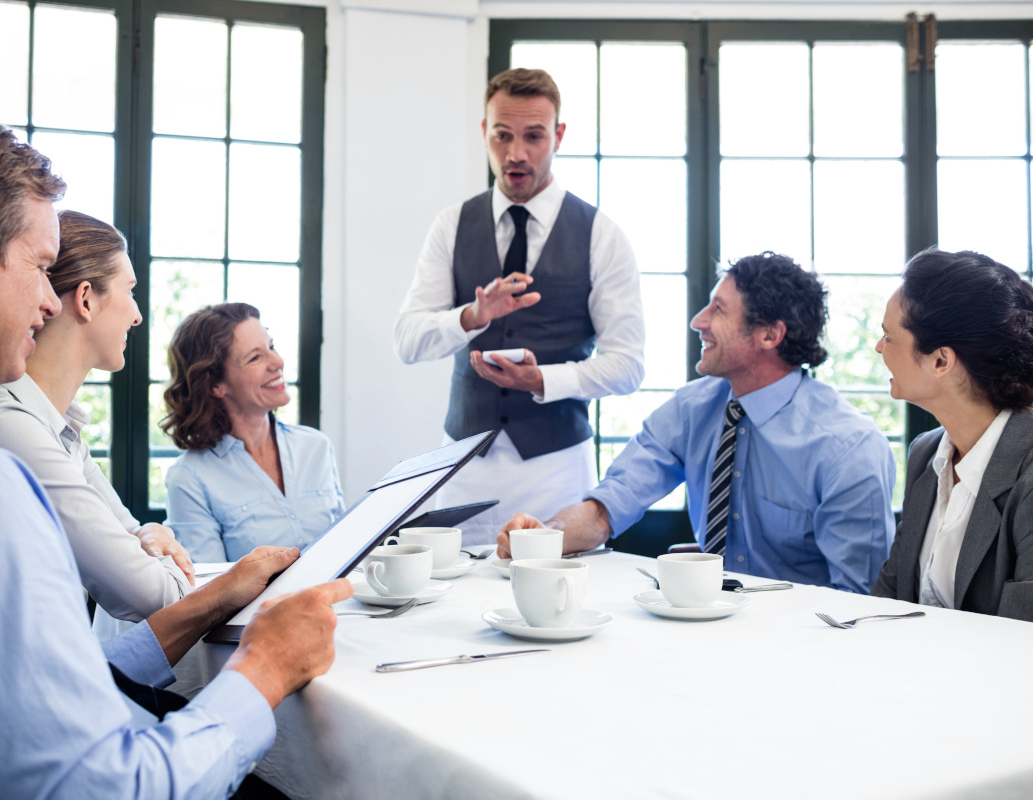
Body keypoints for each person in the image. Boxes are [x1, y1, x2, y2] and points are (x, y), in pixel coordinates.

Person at [0, 100, 351, 798]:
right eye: (39, 265)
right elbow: (108, 787)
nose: (50, 301)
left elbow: (40, 689)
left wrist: (220, 602)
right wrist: (264, 669)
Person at [499, 252, 896, 594]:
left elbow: (861, 603)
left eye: (718, 309)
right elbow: (608, 508)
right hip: (703, 626)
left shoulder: (848, 447)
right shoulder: (692, 409)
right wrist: (543, 538)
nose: (698, 321)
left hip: (805, 646)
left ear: (770, 335)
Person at [393, 67, 645, 545]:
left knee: (551, 603)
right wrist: (471, 316)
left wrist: (543, 380)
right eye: (502, 136)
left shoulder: (602, 235)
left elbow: (629, 366)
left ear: (559, 136)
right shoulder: (451, 226)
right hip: (461, 465)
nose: (516, 154)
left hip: (557, 470)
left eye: (534, 136)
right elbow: (407, 341)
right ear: (484, 132)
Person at [0, 210, 194, 636]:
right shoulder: (9, 426)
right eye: (130, 291)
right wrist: (151, 547)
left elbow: (132, 534)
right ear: (86, 299)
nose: (137, 316)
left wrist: (148, 533)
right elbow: (156, 597)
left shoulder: (59, 430)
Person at [872, 248, 1033, 620]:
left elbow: (1022, 641)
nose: (879, 348)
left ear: (941, 360)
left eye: (889, 337)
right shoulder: (925, 455)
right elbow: (888, 601)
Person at [162, 302, 345, 562]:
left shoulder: (316, 447)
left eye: (271, 347)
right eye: (255, 357)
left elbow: (347, 549)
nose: (278, 362)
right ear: (215, 384)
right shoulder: (189, 479)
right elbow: (211, 591)